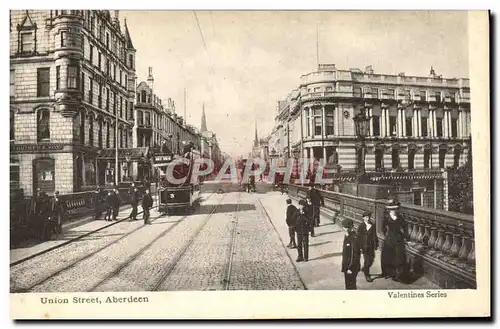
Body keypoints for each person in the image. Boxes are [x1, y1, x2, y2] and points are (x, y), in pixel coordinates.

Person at [381, 199, 407, 282]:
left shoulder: (400, 217)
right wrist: (386, 235)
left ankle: (398, 274)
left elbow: (405, 226)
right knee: (388, 256)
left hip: (398, 238)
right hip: (389, 239)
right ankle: (389, 273)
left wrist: (405, 235)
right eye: (392, 209)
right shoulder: (386, 217)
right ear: (389, 209)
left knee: (399, 256)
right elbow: (383, 228)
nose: (394, 210)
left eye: (395, 209)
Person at [357, 211, 378, 282]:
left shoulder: (373, 225)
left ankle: (364, 268)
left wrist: (376, 244)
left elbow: (374, 235)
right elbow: (358, 237)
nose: (368, 218)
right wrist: (359, 247)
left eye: (368, 217)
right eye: (366, 217)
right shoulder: (361, 226)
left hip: (371, 245)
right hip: (364, 246)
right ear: (363, 218)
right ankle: (367, 275)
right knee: (367, 260)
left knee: (372, 259)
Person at [341, 218, 361, 290]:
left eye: (345, 227)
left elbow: (355, 255)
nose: (344, 229)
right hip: (347, 266)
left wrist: (350, 268)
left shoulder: (353, 238)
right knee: (348, 285)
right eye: (344, 227)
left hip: (351, 267)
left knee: (351, 286)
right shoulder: (347, 235)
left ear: (350, 227)